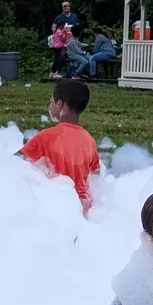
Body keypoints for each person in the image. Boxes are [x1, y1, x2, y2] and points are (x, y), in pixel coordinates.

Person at [19, 78, 100, 211]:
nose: (50, 105)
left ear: (59, 104)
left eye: (51, 101)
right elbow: (96, 177)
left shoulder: (46, 137)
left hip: (57, 205)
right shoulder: (89, 141)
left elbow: (14, 162)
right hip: (84, 208)